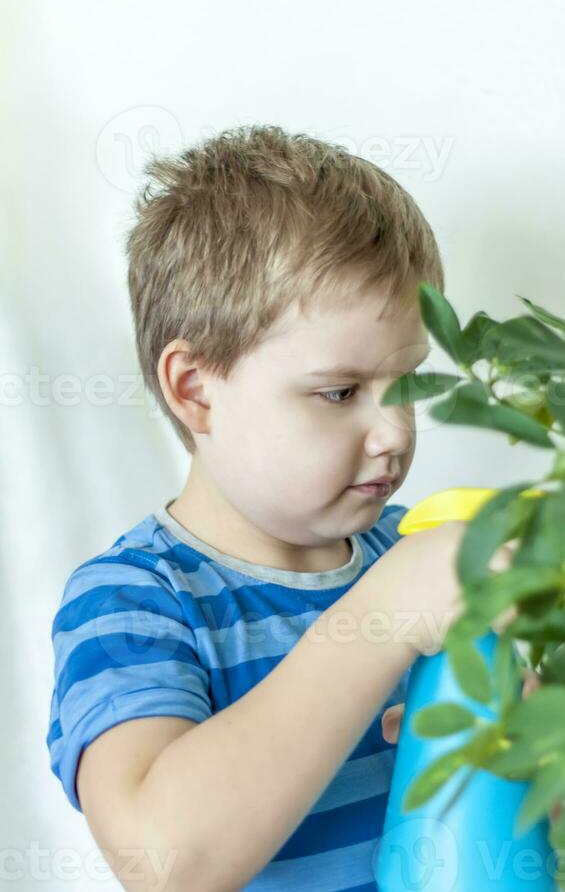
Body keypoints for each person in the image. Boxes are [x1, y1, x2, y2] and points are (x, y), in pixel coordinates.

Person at [46, 125, 526, 892]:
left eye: (408, 382)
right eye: (340, 392)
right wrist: (389, 615)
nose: (396, 432)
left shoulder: (415, 552)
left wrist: (531, 749)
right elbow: (161, 861)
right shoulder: (134, 601)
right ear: (197, 389)